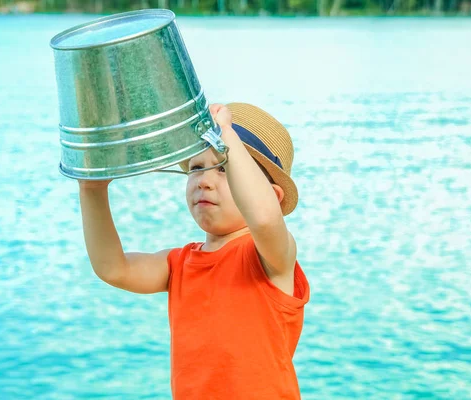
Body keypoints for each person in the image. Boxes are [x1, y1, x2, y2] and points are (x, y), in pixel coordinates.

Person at [78, 102, 310, 399]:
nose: (205, 181)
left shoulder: (271, 256)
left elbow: (264, 218)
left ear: (273, 196)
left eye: (223, 168)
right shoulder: (178, 264)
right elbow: (113, 268)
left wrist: (226, 133)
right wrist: (92, 190)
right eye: (197, 168)